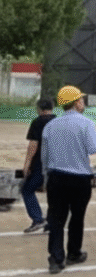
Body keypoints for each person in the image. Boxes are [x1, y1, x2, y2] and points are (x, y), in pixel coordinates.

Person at [41, 85, 96, 274]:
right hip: (80, 179)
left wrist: (45, 178)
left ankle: (56, 259)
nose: (83, 102)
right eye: (81, 99)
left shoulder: (50, 125)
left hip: (56, 177)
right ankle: (74, 253)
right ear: (76, 103)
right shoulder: (86, 123)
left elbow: (44, 156)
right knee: (77, 217)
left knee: (56, 218)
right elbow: (94, 148)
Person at [20, 98, 55, 233]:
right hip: (57, 162)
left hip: (40, 163)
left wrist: (27, 164)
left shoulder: (37, 122)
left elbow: (33, 145)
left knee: (27, 189)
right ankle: (51, 222)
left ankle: (38, 219)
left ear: (39, 109)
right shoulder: (57, 121)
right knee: (53, 193)